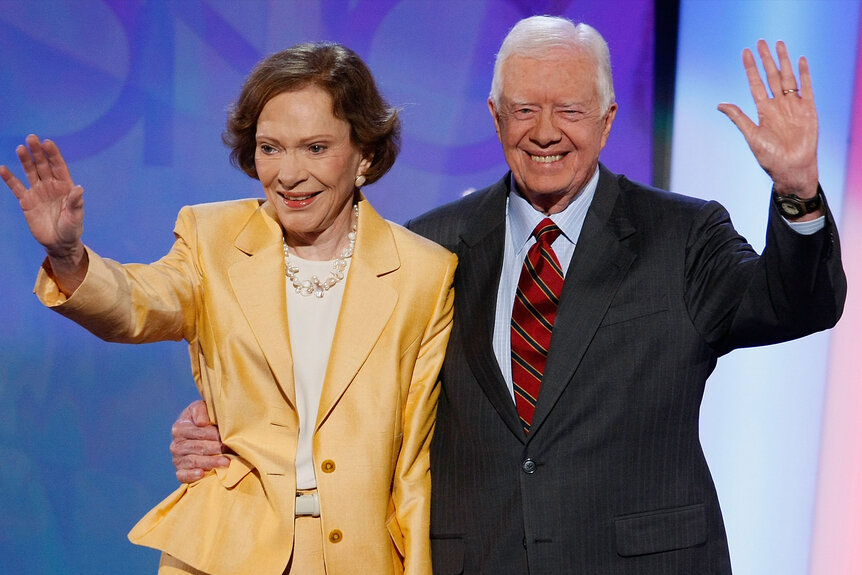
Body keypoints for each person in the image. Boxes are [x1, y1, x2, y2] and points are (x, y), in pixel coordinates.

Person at [169, 16, 846, 574]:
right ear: (496, 118)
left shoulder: (683, 234)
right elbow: (347, 397)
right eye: (525, 109)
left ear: (608, 120)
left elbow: (796, 304)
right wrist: (231, 429)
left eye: (570, 110)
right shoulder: (426, 252)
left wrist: (797, 191)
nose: (545, 131)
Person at [1, 43, 456, 575]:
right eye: (271, 147)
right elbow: (134, 305)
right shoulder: (212, 239)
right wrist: (68, 255)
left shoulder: (424, 272)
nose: (288, 174)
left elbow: (415, 464)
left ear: (366, 155)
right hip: (228, 555)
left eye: (315, 148)